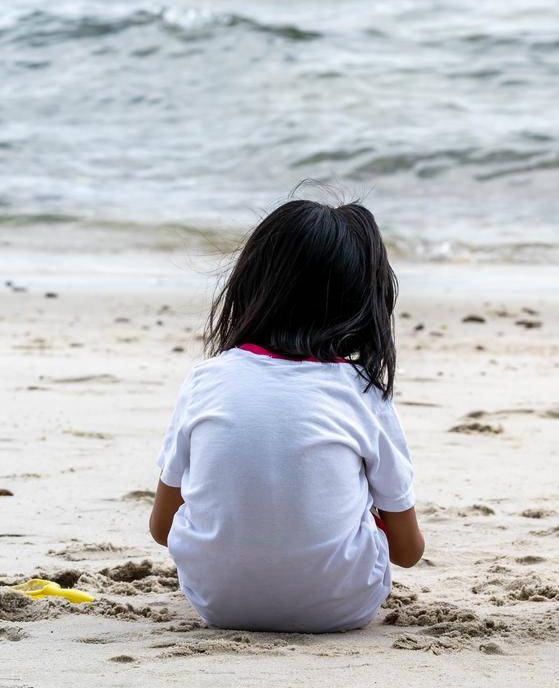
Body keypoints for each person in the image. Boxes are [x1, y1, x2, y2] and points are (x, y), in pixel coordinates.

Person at [148, 197, 424, 632]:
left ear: (252, 281)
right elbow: (408, 551)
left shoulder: (207, 379)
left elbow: (162, 527)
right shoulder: (361, 389)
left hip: (218, 604)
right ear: (365, 299)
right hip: (341, 607)